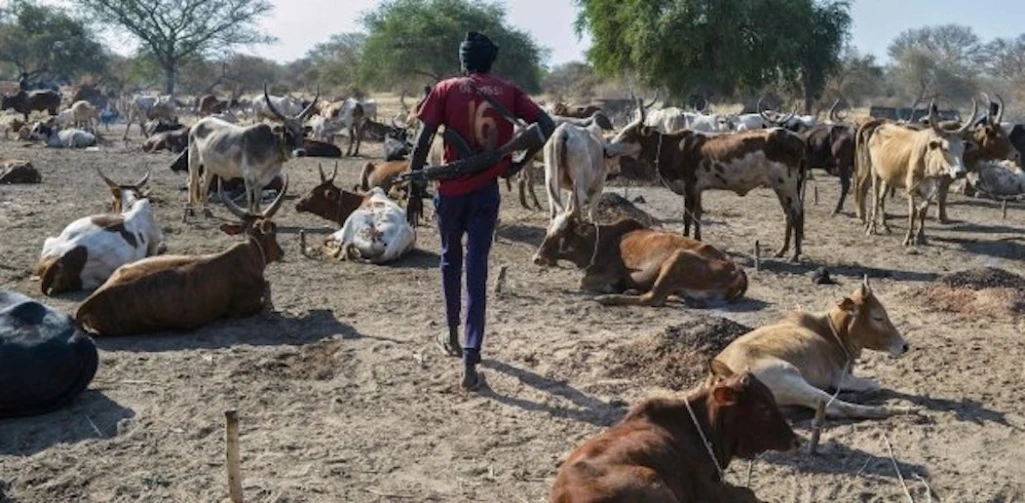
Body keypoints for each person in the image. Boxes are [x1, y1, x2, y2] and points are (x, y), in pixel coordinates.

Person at [407, 31, 555, 391]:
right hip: (485, 193)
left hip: (450, 192)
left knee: (448, 259)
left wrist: (414, 188)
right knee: (476, 270)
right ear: (491, 61)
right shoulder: (508, 91)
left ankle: (453, 336)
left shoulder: (444, 89)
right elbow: (546, 126)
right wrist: (517, 165)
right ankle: (471, 360)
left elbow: (423, 140)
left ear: (464, 61)